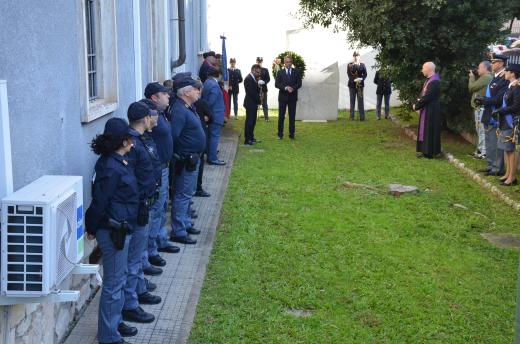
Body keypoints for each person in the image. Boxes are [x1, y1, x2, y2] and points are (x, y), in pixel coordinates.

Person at [85, 118, 138, 344]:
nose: (133, 144)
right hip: (112, 231)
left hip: (121, 229)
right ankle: (108, 336)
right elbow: (99, 201)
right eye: (130, 140)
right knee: (113, 285)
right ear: (122, 141)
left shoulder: (117, 161)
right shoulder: (110, 167)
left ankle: (114, 323)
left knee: (119, 278)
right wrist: (92, 227)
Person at [122, 102, 162, 325]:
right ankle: (130, 304)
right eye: (150, 117)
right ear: (145, 119)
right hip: (137, 207)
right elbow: (131, 178)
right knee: (133, 258)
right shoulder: (132, 143)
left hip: (144, 203)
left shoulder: (139, 140)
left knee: (137, 256)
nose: (152, 120)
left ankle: (138, 288)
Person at [143, 83, 181, 260]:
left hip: (165, 166)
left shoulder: (162, 114)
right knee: (156, 209)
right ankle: (151, 251)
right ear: (154, 98)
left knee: (162, 205)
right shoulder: (149, 117)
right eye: (164, 94)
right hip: (157, 169)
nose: (168, 96)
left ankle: (160, 240)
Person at [170, 76, 206, 245]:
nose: (198, 91)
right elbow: (174, 136)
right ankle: (179, 230)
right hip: (186, 159)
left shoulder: (188, 107)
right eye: (194, 89)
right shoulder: (179, 110)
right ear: (186, 92)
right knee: (182, 195)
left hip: (193, 158)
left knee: (187, 194)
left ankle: (184, 223)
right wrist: (183, 154)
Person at [477, 54, 509, 176]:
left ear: (501, 63)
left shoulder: (504, 78)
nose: (492, 64)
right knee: (489, 141)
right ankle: (490, 165)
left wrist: (484, 100)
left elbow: (500, 99)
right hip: (488, 112)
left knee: (495, 142)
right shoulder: (495, 77)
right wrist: (483, 100)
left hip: (495, 115)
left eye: (494, 62)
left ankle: (497, 168)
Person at [494, 64, 520, 186]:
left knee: (511, 149)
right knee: (507, 149)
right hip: (505, 120)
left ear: (513, 74)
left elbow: (516, 106)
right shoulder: (511, 87)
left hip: (512, 121)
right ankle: (508, 174)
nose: (505, 73)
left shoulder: (517, 88)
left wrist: (501, 110)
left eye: (507, 71)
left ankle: (512, 177)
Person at [413, 61, 441, 158]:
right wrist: (418, 102)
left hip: (432, 110)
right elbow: (423, 94)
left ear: (428, 69)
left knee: (429, 130)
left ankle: (430, 153)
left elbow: (428, 97)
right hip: (427, 108)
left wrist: (417, 106)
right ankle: (425, 151)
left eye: (423, 68)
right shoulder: (429, 80)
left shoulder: (434, 81)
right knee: (425, 130)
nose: (422, 70)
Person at [468, 61, 492, 159]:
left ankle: (483, 152)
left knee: (481, 130)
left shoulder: (486, 77)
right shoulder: (484, 77)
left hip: (481, 108)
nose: (477, 70)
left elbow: (471, 87)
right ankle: (479, 150)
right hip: (479, 107)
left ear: (485, 68)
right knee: (479, 130)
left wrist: (472, 78)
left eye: (479, 68)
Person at [202, 67, 226, 165]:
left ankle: (209, 152)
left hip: (210, 115)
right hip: (215, 115)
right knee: (214, 137)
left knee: (209, 136)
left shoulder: (206, 83)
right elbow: (211, 102)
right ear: (218, 75)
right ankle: (212, 158)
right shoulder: (215, 86)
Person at [275, 56, 302, 139]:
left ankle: (292, 134)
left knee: (292, 116)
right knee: (281, 116)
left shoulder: (296, 72)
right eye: (287, 62)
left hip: (292, 97)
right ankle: (280, 134)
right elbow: (277, 84)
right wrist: (286, 88)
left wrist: (293, 88)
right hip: (283, 97)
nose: (288, 63)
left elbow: (299, 83)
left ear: (292, 62)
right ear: (284, 63)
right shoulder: (280, 72)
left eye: (290, 62)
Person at [194, 87, 213, 197]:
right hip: (198, 140)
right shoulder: (201, 103)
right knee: (198, 166)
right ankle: (198, 188)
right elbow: (211, 117)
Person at [243, 64, 261, 145]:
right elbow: (251, 92)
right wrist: (259, 100)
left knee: (253, 121)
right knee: (249, 121)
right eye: (257, 72)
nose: (259, 74)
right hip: (250, 103)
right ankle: (247, 139)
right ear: (253, 70)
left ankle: (251, 137)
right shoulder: (248, 79)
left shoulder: (253, 78)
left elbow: (256, 89)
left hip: (253, 103)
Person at [347, 52, 367, 121]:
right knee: (352, 101)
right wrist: (354, 80)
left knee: (360, 101)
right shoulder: (349, 65)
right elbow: (349, 75)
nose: (356, 57)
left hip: (360, 85)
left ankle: (362, 117)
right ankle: (351, 117)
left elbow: (365, 74)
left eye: (357, 56)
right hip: (352, 85)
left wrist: (361, 79)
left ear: (359, 57)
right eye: (354, 56)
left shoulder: (362, 65)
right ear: (353, 57)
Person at [256, 57, 271, 121]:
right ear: (256, 61)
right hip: (256, 89)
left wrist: (264, 82)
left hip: (264, 89)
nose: (259, 62)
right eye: (258, 61)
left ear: (262, 62)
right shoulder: (254, 69)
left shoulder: (265, 70)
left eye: (260, 61)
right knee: (256, 103)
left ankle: (266, 117)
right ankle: (254, 116)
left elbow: (268, 79)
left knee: (264, 103)